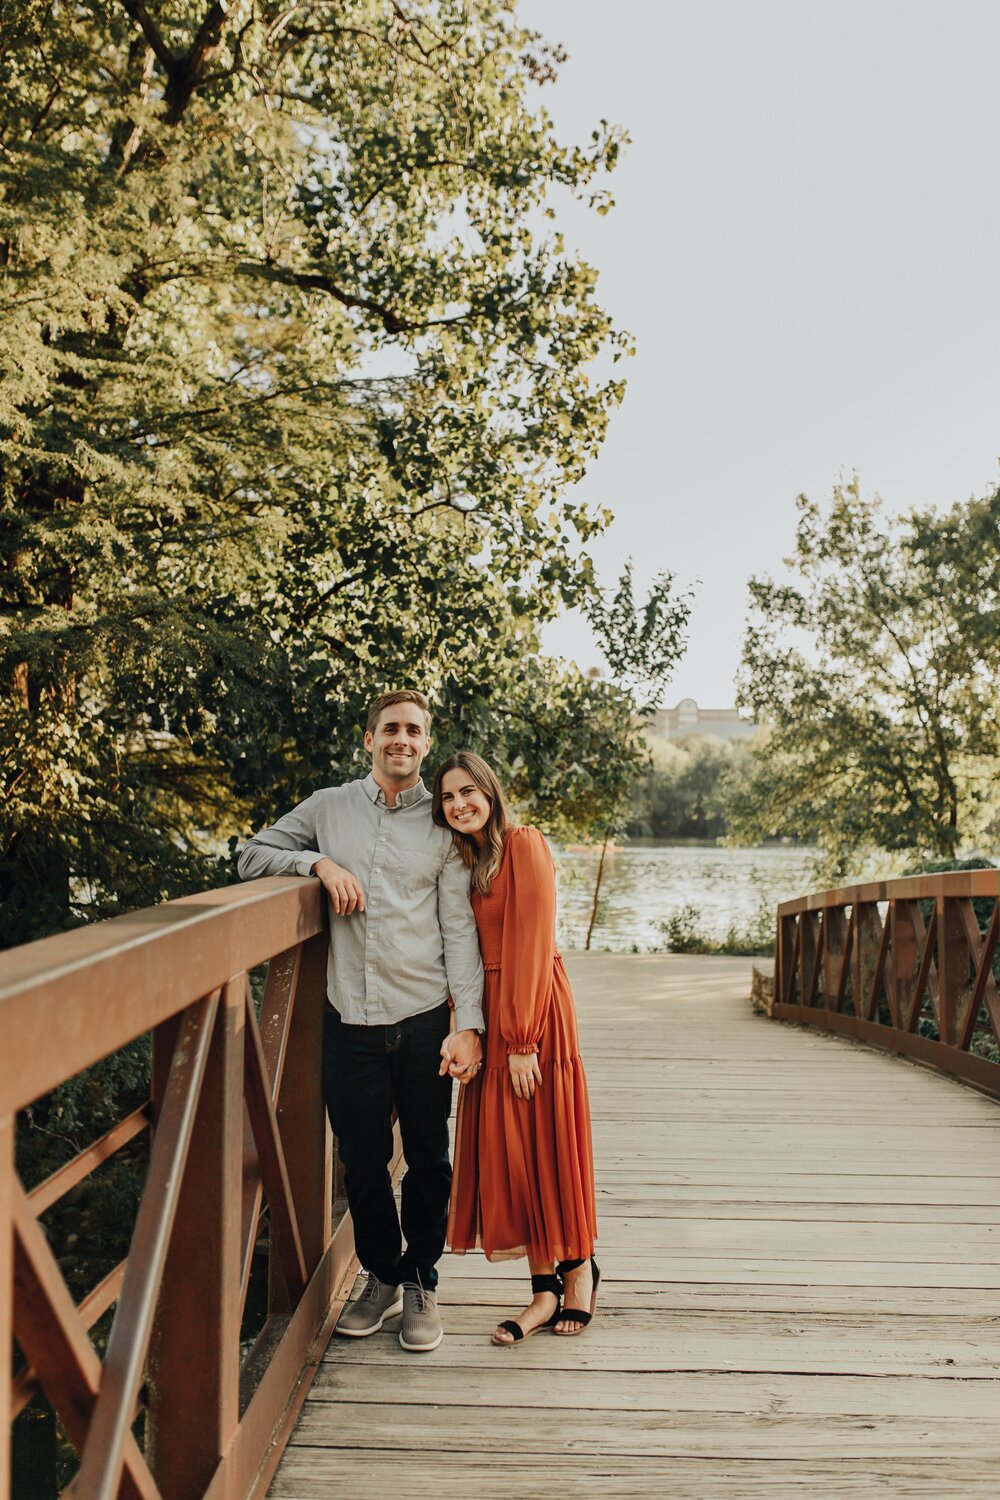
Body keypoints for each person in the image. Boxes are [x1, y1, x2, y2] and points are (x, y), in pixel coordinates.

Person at [238, 691, 485, 1353]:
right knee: (364, 1161)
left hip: (425, 1014)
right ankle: (381, 1272)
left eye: (414, 730)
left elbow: (459, 932)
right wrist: (315, 863)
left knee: (430, 1161)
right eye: (391, 729)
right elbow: (252, 853)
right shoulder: (328, 807)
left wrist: (471, 1025)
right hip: (350, 1020)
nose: (402, 739)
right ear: (369, 739)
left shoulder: (443, 822)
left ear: (425, 743)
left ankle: (421, 1282)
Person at [432, 751, 600, 1342]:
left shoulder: (523, 844)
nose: (460, 805)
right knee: (513, 1149)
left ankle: (579, 1271)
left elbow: (532, 940)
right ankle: (542, 1291)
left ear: (491, 791)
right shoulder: (467, 863)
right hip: (494, 1010)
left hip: (533, 1012)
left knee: (546, 1139)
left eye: (468, 791)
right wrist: (470, 1025)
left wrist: (523, 1037)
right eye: (448, 797)